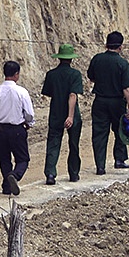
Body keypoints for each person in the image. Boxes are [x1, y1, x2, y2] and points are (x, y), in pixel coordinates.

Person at [0, 59, 35, 196]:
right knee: (22, 159)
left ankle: (7, 186)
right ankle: (14, 175)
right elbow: (29, 113)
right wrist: (29, 123)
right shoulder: (21, 92)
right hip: (17, 129)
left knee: (4, 158)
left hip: (1, 129)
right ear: (16, 74)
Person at [86, 31, 129, 174]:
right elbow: (127, 89)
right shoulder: (122, 63)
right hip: (117, 102)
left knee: (99, 133)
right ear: (120, 47)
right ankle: (119, 159)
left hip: (100, 101)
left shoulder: (97, 59)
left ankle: (100, 166)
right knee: (120, 130)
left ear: (106, 45)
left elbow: (91, 77)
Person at [39, 43, 84, 185]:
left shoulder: (51, 74)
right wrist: (70, 116)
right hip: (72, 114)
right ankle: (73, 173)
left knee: (53, 143)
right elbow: (73, 95)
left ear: (59, 57)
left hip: (56, 112)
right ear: (71, 58)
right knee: (74, 144)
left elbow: (48, 93)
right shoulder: (75, 74)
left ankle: (50, 174)